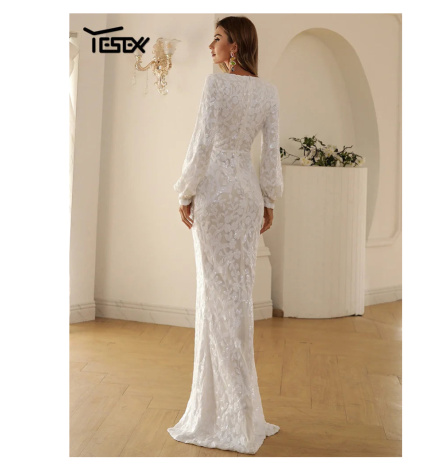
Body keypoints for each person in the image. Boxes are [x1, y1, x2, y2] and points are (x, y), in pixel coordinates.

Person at [168, 16, 283, 455]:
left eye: (217, 38)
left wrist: (185, 191)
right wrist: (268, 200)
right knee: (236, 299)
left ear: (235, 46)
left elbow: (202, 143)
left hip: (216, 193)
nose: (210, 46)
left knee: (214, 298)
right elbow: (269, 154)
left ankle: (223, 417)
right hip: (246, 196)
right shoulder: (268, 92)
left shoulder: (216, 85)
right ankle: (242, 414)